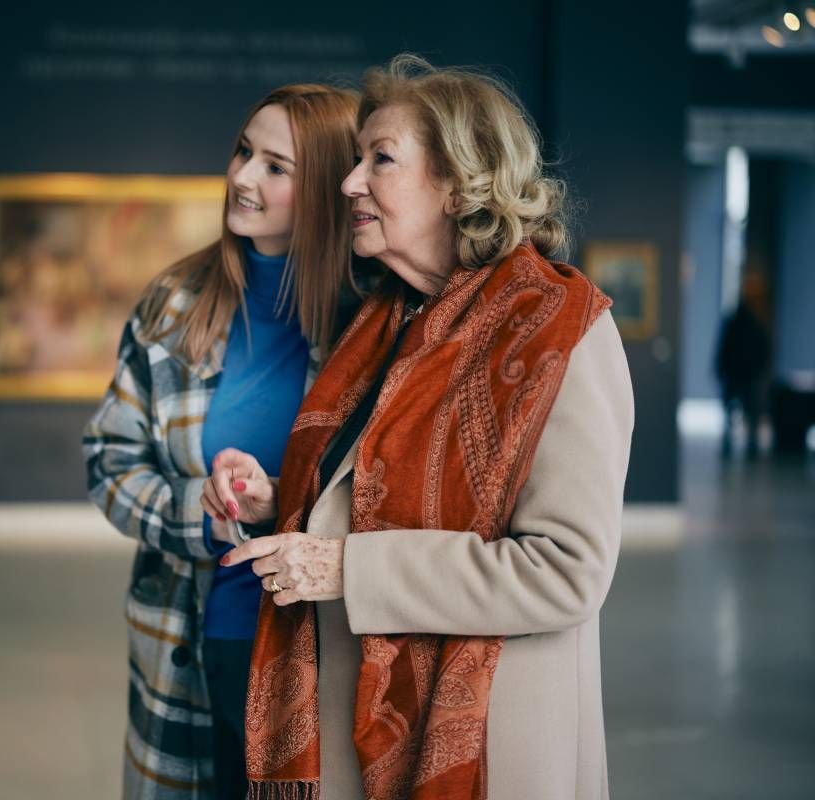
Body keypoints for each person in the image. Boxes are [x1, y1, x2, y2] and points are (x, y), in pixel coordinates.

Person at [212, 55, 634, 800]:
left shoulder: (561, 330)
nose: (348, 184)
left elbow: (567, 573)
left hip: (481, 741)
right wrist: (275, 498)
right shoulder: (387, 319)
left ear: (459, 181)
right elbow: (388, 494)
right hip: (357, 723)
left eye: (380, 160)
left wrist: (347, 568)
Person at [83, 84, 371, 799]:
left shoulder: (372, 323)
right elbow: (109, 459)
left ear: (331, 186)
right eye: (244, 151)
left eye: (277, 167)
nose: (242, 177)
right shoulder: (174, 302)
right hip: (192, 639)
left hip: (320, 648)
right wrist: (203, 516)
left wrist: (282, 506)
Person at [715, 279, 771, 458]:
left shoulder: (735, 323)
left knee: (732, 412)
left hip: (736, 374)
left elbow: (724, 349)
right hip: (747, 375)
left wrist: (720, 369)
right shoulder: (756, 324)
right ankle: (751, 445)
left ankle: (731, 443)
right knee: (750, 412)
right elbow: (763, 350)